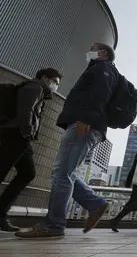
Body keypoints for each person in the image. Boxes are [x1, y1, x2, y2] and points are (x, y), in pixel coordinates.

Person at [16, 43, 120, 238]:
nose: (89, 50)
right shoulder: (100, 69)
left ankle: (53, 225)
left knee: (61, 173)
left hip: (83, 124)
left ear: (103, 53)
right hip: (86, 124)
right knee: (66, 173)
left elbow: (101, 93)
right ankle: (95, 203)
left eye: (93, 48)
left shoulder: (104, 68)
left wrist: (86, 119)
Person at [0, 68, 62, 232]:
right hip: (15, 134)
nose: (56, 86)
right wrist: (27, 132)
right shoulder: (34, 87)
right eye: (55, 82)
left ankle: (1, 213)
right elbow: (25, 111)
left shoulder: (38, 91)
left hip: (20, 136)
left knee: (27, 173)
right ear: (44, 77)